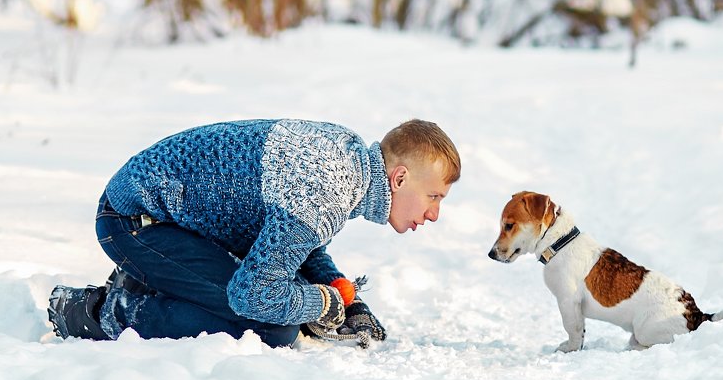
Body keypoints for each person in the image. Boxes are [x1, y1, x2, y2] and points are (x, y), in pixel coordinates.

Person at [47, 118, 460, 348]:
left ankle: (148, 280)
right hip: (134, 221)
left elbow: (297, 244)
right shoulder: (330, 187)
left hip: (174, 219)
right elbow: (254, 293)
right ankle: (103, 311)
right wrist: (319, 304)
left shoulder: (349, 163)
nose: (435, 213)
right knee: (270, 327)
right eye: (434, 195)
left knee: (285, 300)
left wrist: (338, 292)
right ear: (400, 177)